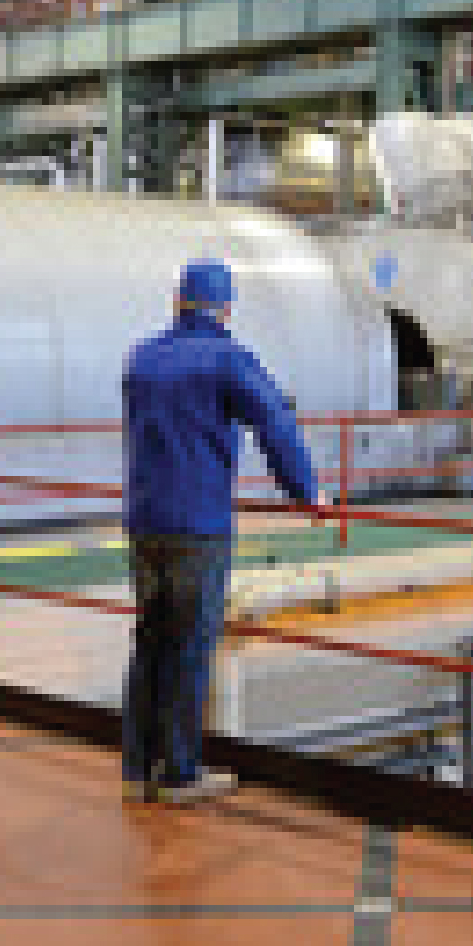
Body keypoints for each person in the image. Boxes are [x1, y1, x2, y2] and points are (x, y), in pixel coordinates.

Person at [121, 259, 317, 806]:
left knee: (150, 643)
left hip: (144, 521)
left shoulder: (142, 357)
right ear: (226, 309)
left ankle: (137, 769)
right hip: (197, 526)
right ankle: (180, 774)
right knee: (190, 646)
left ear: (176, 301)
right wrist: (305, 491)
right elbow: (274, 420)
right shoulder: (227, 358)